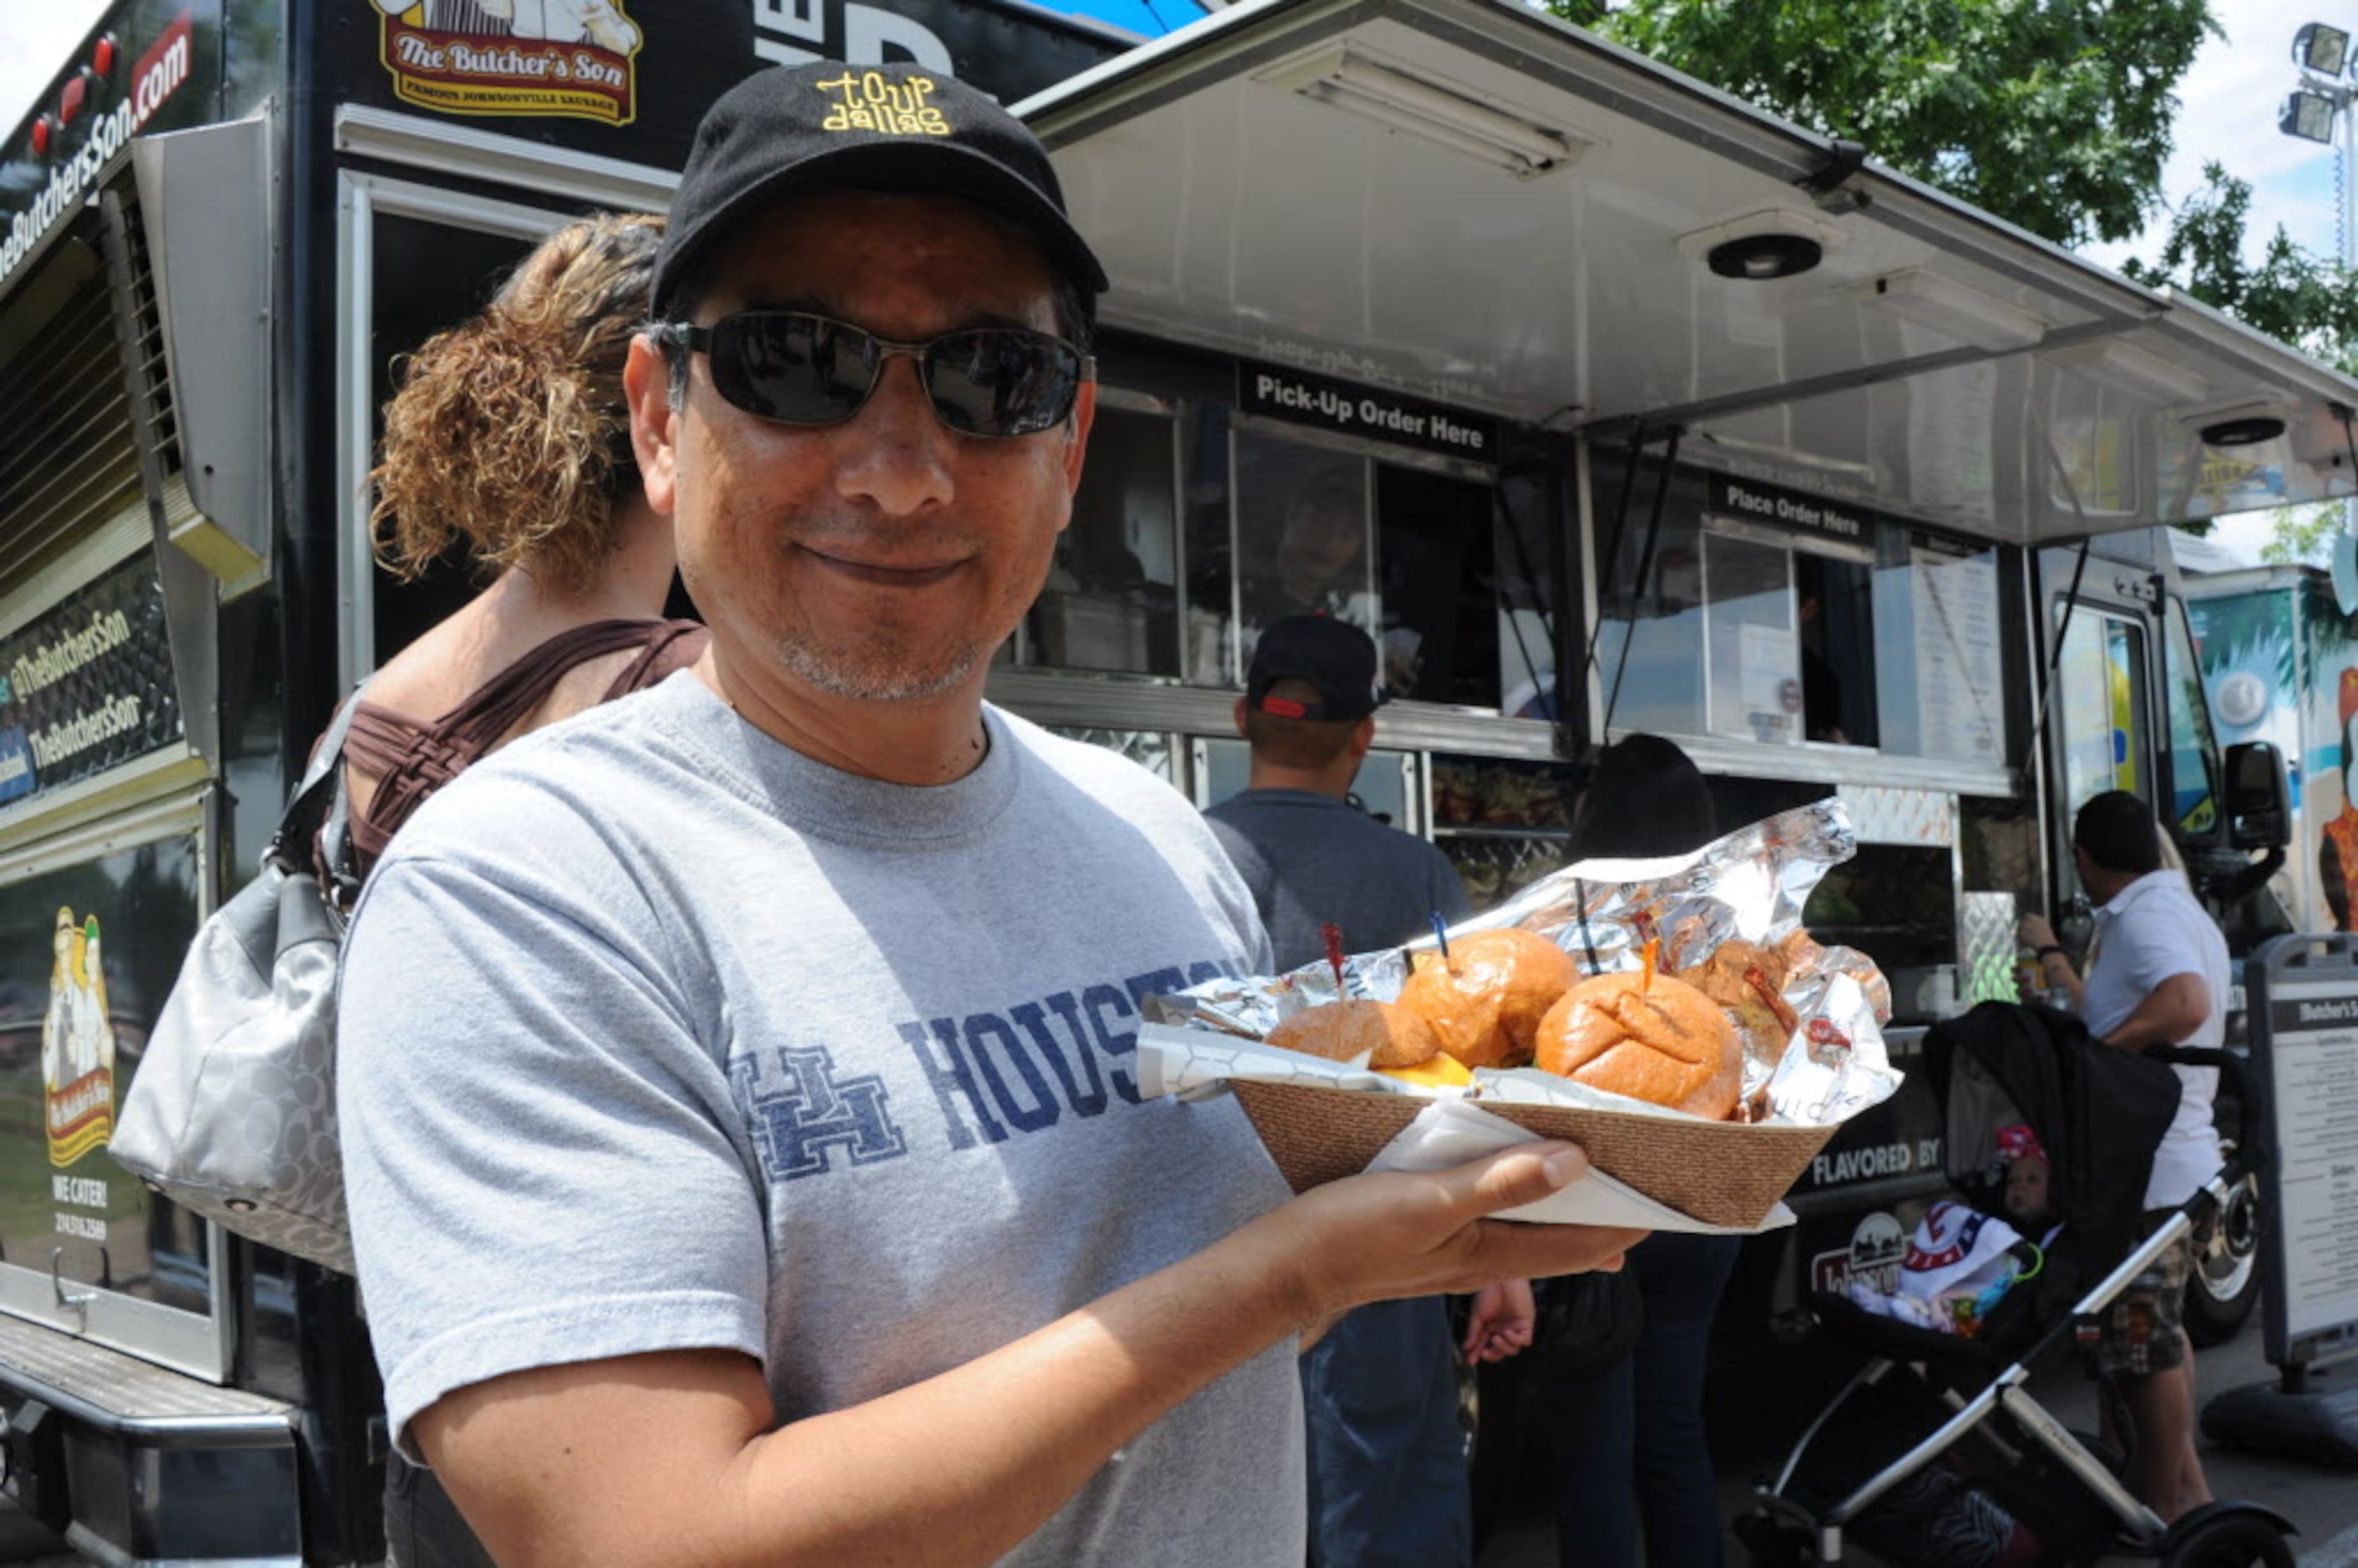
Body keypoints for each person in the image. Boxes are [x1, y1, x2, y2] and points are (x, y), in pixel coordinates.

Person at [334, 61, 1644, 1568]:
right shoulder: (525, 890)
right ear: (657, 420)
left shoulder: (1160, 844)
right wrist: (1290, 1279)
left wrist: (1461, 1208)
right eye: (795, 360)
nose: (899, 472)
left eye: (986, 380)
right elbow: (651, 1539)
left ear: (1069, 445)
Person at [342, 210, 706, 1567]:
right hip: (640, 1396)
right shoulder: (668, 690)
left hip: (444, 1387)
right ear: (666, 411)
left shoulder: (383, 698)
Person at [1202, 613, 1520, 1568]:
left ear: (1240, 718)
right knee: (1387, 1518)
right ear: (1364, 738)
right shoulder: (1414, 869)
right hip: (1388, 1251)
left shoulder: (1177, 859)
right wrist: (1499, 1261)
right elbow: (1480, 1065)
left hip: (1205, 1264)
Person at [1537, 732, 1740, 1568]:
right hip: (1703, 1199)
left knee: (1593, 1452)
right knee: (1671, 1434)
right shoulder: (1727, 917)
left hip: (1595, 1201)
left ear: (1591, 814)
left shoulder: (1554, 912)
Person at [2018, 789, 2226, 1523]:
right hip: (2175, 1164)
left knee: (2144, 1345)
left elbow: (2184, 1002)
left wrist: (2099, 1065)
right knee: (2155, 1334)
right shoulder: (2171, 911)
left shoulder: (2147, 918)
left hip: (2154, 1170)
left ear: (2083, 858)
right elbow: (2133, 1007)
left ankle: (2169, 1503)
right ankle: (2180, 1486)